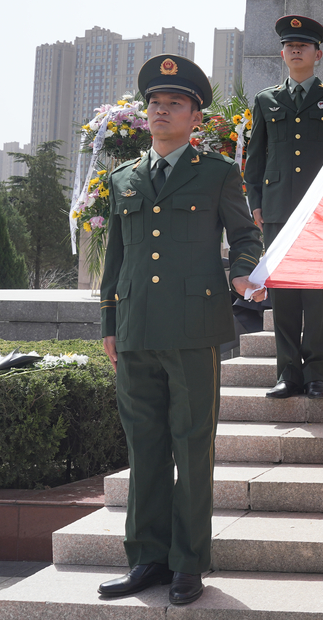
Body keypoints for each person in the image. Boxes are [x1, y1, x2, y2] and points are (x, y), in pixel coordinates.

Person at [97, 54, 264, 605]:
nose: (161, 111)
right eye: (154, 104)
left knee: (192, 448)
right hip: (137, 329)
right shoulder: (123, 178)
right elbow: (114, 260)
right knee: (145, 449)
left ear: (196, 117)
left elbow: (244, 236)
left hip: (194, 329)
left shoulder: (217, 172)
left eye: (174, 104)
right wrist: (109, 323)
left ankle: (188, 563)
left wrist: (244, 271)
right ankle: (147, 557)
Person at [243, 15, 323, 399]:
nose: (295, 50)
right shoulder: (266, 100)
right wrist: (255, 202)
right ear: (283, 53)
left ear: (317, 54)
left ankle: (318, 374)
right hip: (277, 209)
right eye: (289, 45)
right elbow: (255, 159)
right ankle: (288, 374)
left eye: (303, 45)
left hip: (321, 210)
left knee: (318, 295)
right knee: (284, 294)